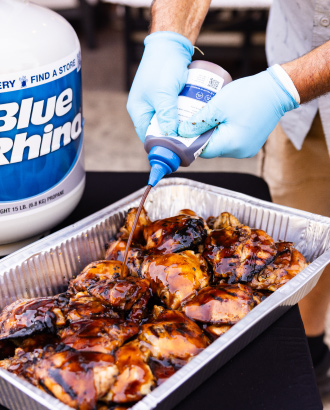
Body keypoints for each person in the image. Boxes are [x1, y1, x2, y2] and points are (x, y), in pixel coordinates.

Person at [126, 0, 330, 397]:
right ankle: (310, 356)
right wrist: (168, 37)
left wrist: (286, 87)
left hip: (294, 79)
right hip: (297, 65)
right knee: (301, 238)